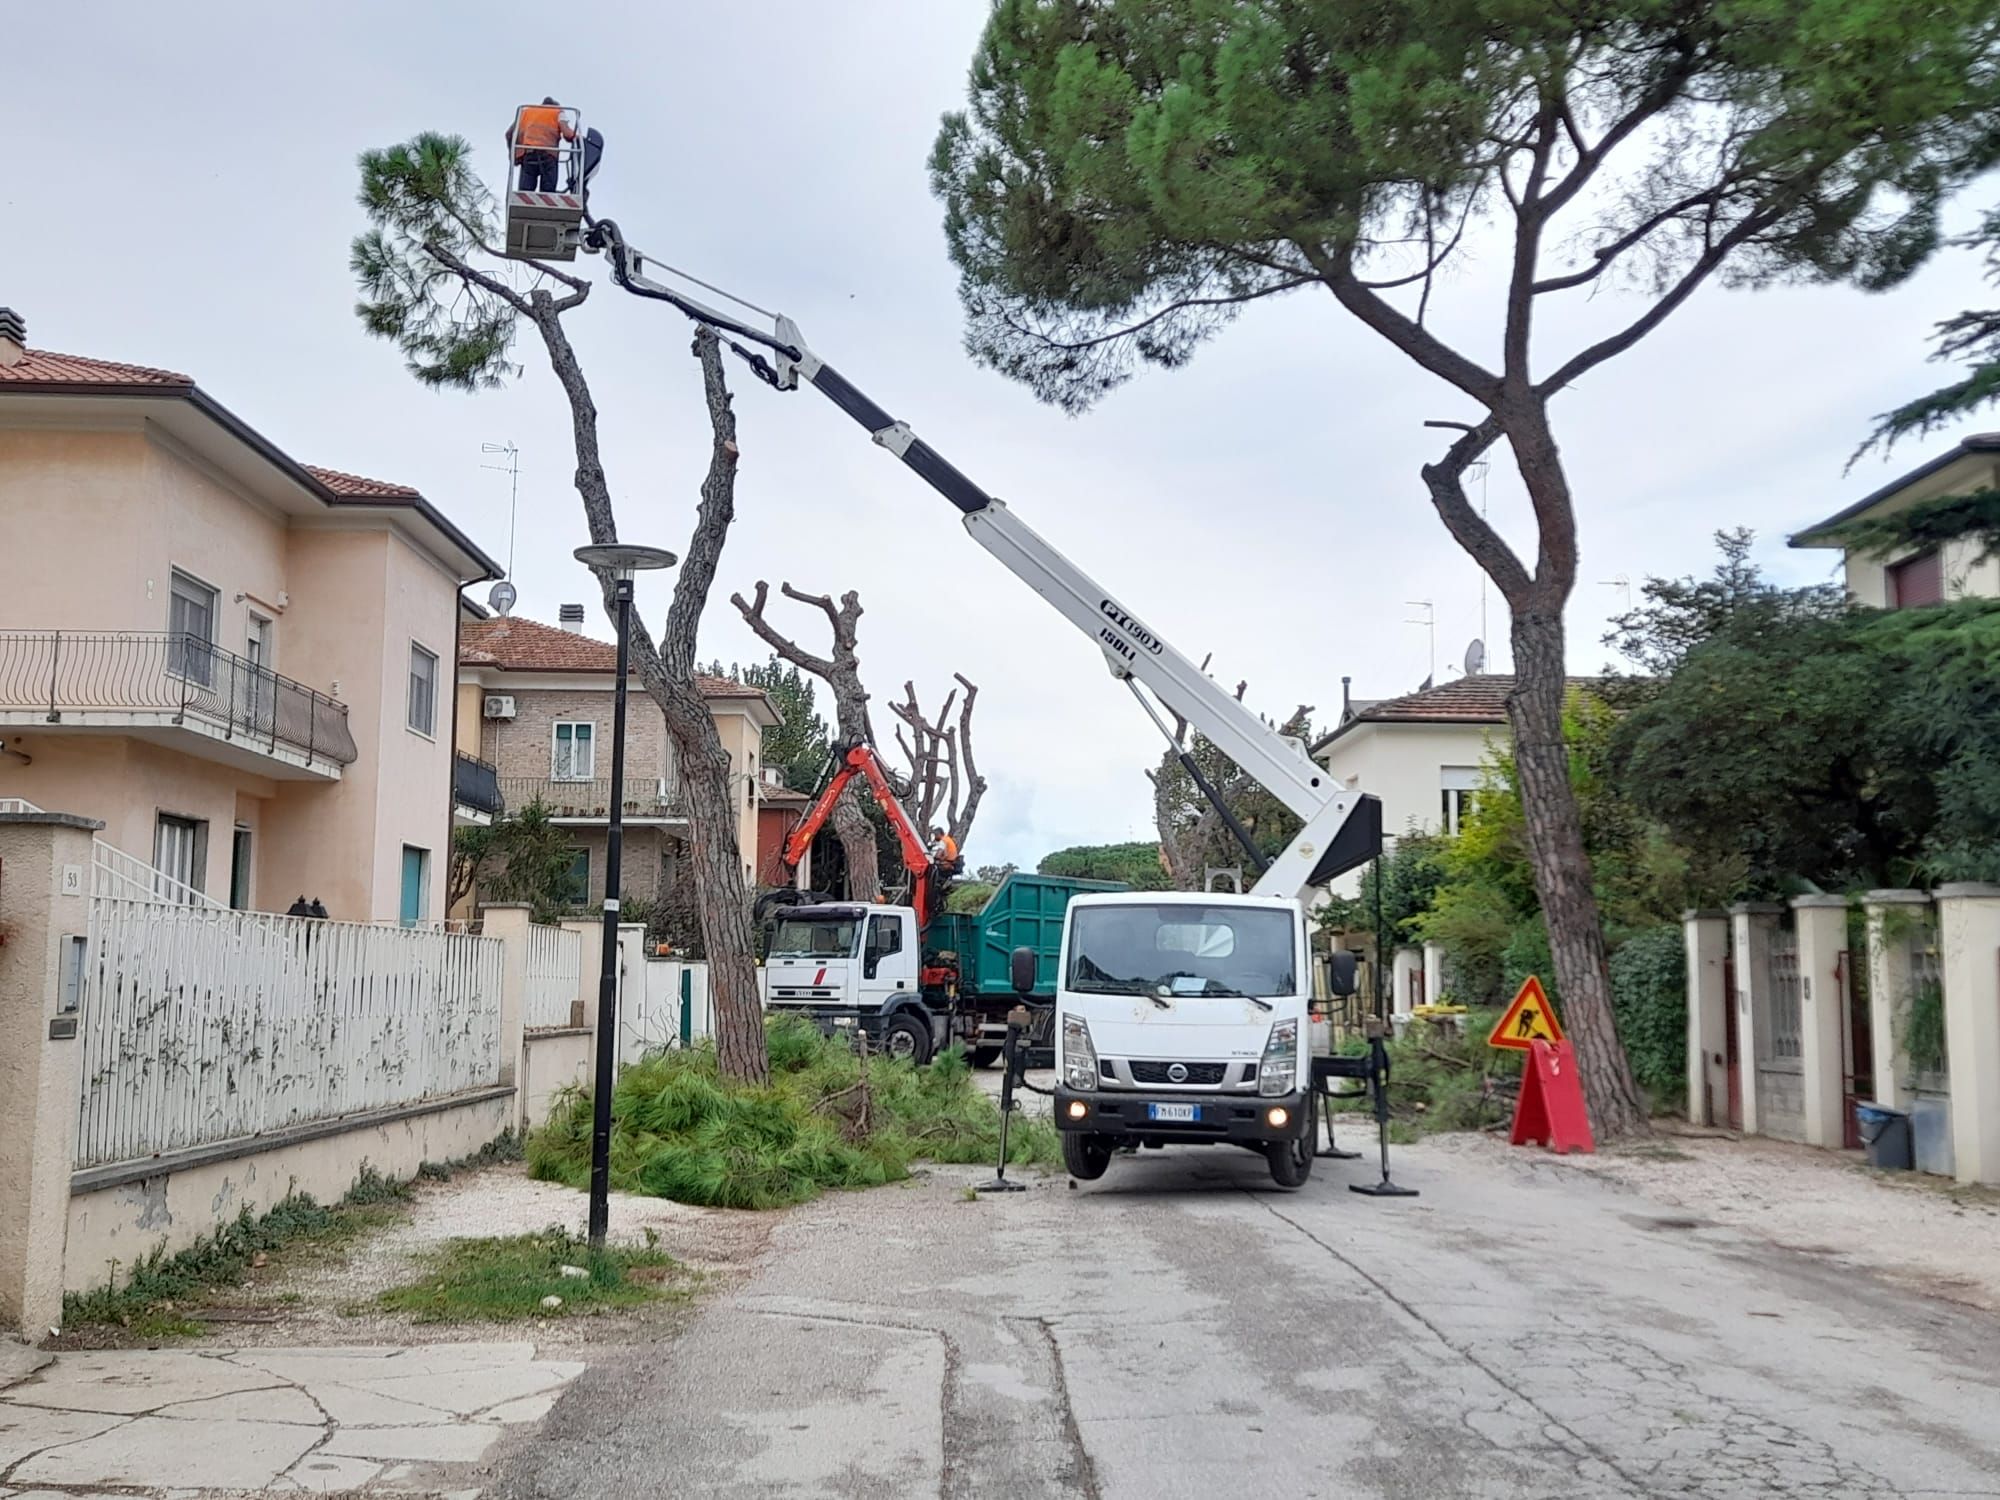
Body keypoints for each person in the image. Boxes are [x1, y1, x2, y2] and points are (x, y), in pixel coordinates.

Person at [507, 98, 575, 192]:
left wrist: (514, 155)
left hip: (528, 155)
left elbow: (509, 134)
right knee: (548, 193)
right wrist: (577, 137)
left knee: (525, 192)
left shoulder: (525, 112)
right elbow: (568, 134)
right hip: (548, 157)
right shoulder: (557, 112)